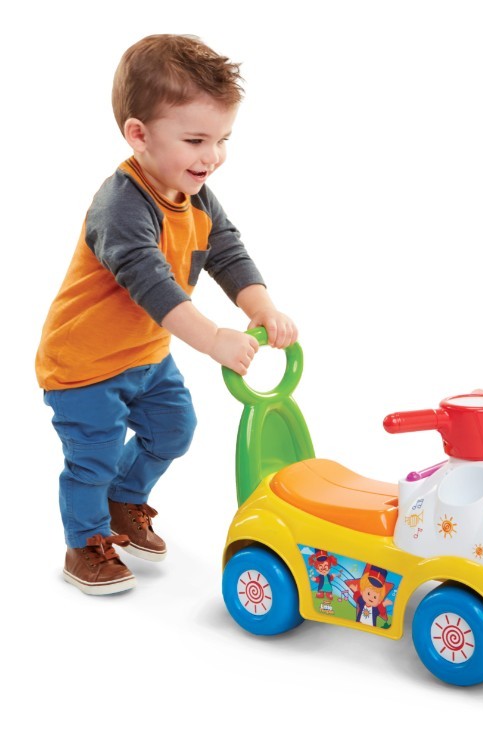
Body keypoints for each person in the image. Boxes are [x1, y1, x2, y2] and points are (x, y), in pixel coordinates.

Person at [35, 34, 297, 596]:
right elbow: (153, 286)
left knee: (174, 429)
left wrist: (262, 306)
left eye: (222, 140)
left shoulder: (193, 192)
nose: (212, 156)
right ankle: (85, 543)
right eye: (196, 140)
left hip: (146, 356)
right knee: (92, 459)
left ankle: (124, 499)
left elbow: (226, 250)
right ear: (139, 134)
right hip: (85, 366)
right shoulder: (121, 206)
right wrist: (215, 340)